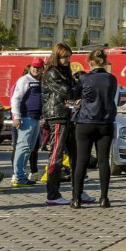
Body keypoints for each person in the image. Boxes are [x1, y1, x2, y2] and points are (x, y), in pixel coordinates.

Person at [70, 48, 118, 209]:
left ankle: (76, 199)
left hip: (85, 121)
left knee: (81, 160)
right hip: (105, 123)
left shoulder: (84, 78)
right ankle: (104, 198)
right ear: (104, 61)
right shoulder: (111, 79)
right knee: (103, 160)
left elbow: (74, 95)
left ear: (89, 62)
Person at [41, 43, 81, 204]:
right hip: (57, 116)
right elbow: (67, 91)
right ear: (57, 56)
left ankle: (78, 192)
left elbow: (73, 90)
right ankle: (53, 194)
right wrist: (78, 91)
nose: (67, 60)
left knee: (76, 155)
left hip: (70, 116)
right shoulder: (51, 72)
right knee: (56, 155)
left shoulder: (66, 72)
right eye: (65, 57)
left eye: (69, 57)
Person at [10, 57, 45, 187]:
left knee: (29, 148)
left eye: (38, 67)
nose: (36, 69)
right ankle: (18, 176)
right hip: (26, 118)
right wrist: (17, 116)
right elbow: (16, 98)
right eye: (34, 67)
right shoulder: (25, 80)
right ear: (30, 67)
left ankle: (20, 175)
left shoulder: (36, 81)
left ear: (42, 69)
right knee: (23, 147)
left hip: (34, 118)